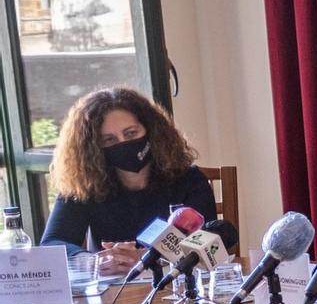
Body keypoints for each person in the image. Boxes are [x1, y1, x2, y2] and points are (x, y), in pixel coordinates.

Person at [42, 87, 216, 273]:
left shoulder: (188, 179)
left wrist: (147, 258)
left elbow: (209, 242)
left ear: (150, 131)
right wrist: (93, 260)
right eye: (109, 139)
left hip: (173, 286)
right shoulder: (85, 184)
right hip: (110, 291)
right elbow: (52, 244)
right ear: (93, 147)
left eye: (131, 133)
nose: (123, 143)